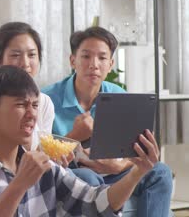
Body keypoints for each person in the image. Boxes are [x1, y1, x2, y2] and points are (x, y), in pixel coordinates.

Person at [0, 65, 163, 216]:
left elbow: (96, 202)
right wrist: (19, 185)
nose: (32, 114)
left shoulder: (45, 168)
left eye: (35, 105)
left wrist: (137, 172)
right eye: (20, 105)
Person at [42, 26, 173, 217]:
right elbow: (41, 156)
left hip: (115, 172)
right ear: (73, 60)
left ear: (110, 64)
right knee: (88, 178)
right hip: (73, 173)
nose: (94, 64)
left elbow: (138, 152)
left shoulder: (119, 96)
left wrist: (120, 166)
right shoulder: (47, 99)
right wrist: (73, 137)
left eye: (102, 58)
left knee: (160, 172)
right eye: (86, 56)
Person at [0, 22, 55, 152]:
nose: (25, 64)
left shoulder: (44, 102)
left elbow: (41, 154)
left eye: (31, 55)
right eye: (15, 55)